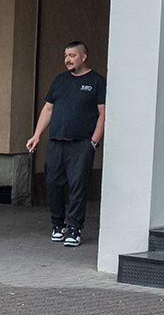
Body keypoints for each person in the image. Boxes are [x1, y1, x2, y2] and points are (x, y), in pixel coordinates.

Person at [27, 41, 106, 247]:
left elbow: (103, 113)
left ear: (83, 57)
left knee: (78, 187)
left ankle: (74, 229)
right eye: (65, 56)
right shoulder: (59, 80)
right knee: (53, 184)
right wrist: (36, 135)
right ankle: (58, 225)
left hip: (81, 145)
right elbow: (48, 109)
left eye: (72, 55)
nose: (67, 60)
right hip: (56, 143)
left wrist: (94, 142)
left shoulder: (97, 81)